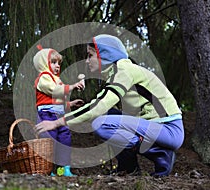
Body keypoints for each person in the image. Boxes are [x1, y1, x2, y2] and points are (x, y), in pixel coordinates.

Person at [35, 34, 184, 177]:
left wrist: (57, 122)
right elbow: (99, 106)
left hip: (169, 128)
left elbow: (98, 107)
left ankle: (161, 154)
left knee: (101, 123)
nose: (87, 61)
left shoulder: (124, 72)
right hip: (154, 126)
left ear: (105, 56)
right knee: (107, 115)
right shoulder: (117, 73)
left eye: (90, 55)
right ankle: (128, 167)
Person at [33, 47, 84, 177]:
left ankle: (64, 168)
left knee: (64, 140)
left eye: (58, 63)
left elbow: (57, 100)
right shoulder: (44, 78)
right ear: (44, 63)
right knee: (50, 142)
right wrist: (72, 86)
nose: (57, 66)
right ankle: (48, 169)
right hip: (47, 115)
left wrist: (70, 104)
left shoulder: (56, 79)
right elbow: (55, 91)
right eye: (53, 62)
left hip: (59, 115)